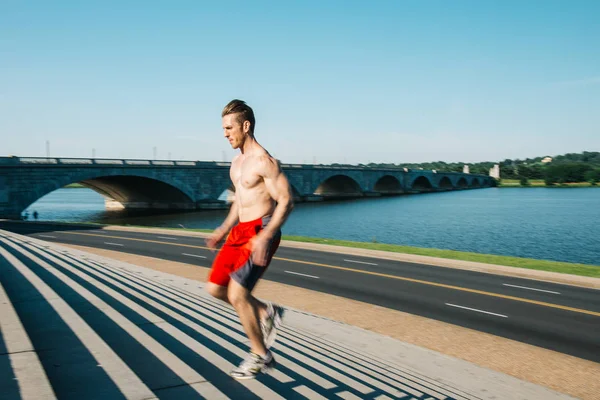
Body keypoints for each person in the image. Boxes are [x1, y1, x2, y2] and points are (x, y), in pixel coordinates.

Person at [205, 99, 294, 380]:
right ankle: (267, 312)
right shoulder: (237, 162)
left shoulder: (264, 162)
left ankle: (261, 356)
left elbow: (287, 201)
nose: (225, 133)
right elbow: (240, 201)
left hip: (260, 231)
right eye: (223, 128)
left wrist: (266, 236)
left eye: (229, 127)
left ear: (246, 126)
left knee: (237, 294)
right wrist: (223, 228)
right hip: (239, 231)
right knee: (216, 288)